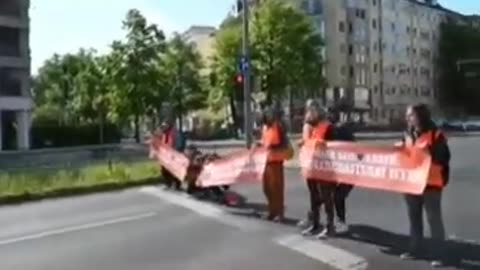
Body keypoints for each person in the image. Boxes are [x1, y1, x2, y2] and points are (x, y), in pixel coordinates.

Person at [399, 103, 451, 267]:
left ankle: (439, 254)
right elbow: (404, 155)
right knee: (414, 219)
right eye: (407, 115)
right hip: (412, 183)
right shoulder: (407, 134)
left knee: (433, 219)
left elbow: (443, 157)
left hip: (431, 184)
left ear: (420, 116)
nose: (407, 118)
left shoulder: (436, 135)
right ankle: (415, 249)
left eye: (411, 115)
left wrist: (426, 155)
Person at [300, 101, 337, 239]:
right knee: (314, 197)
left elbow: (335, 146)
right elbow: (311, 143)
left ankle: (330, 226)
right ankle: (315, 224)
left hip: (325, 168)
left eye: (313, 110)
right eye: (309, 110)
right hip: (312, 167)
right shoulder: (313, 127)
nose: (310, 113)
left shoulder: (328, 127)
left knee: (326, 197)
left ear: (319, 112)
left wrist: (325, 145)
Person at [258, 103, 288, 222]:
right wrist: (260, 144)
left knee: (277, 188)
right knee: (267, 188)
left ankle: (279, 213)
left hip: (276, 161)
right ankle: (272, 210)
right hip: (265, 160)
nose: (269, 116)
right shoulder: (265, 127)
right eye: (267, 114)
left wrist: (272, 146)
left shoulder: (278, 126)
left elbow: (282, 143)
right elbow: (264, 141)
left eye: (271, 114)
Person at [329, 107, 355, 234]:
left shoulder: (341, 130)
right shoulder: (327, 130)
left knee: (337, 195)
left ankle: (340, 221)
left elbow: (353, 148)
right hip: (335, 169)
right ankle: (336, 220)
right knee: (329, 194)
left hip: (347, 169)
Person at [159, 117, 185, 191]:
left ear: (169, 125)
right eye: (163, 126)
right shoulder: (164, 134)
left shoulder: (174, 133)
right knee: (164, 170)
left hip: (174, 155)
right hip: (166, 156)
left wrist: (175, 153)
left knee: (175, 170)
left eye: (165, 126)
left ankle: (177, 185)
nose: (163, 127)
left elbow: (178, 144)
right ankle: (168, 184)